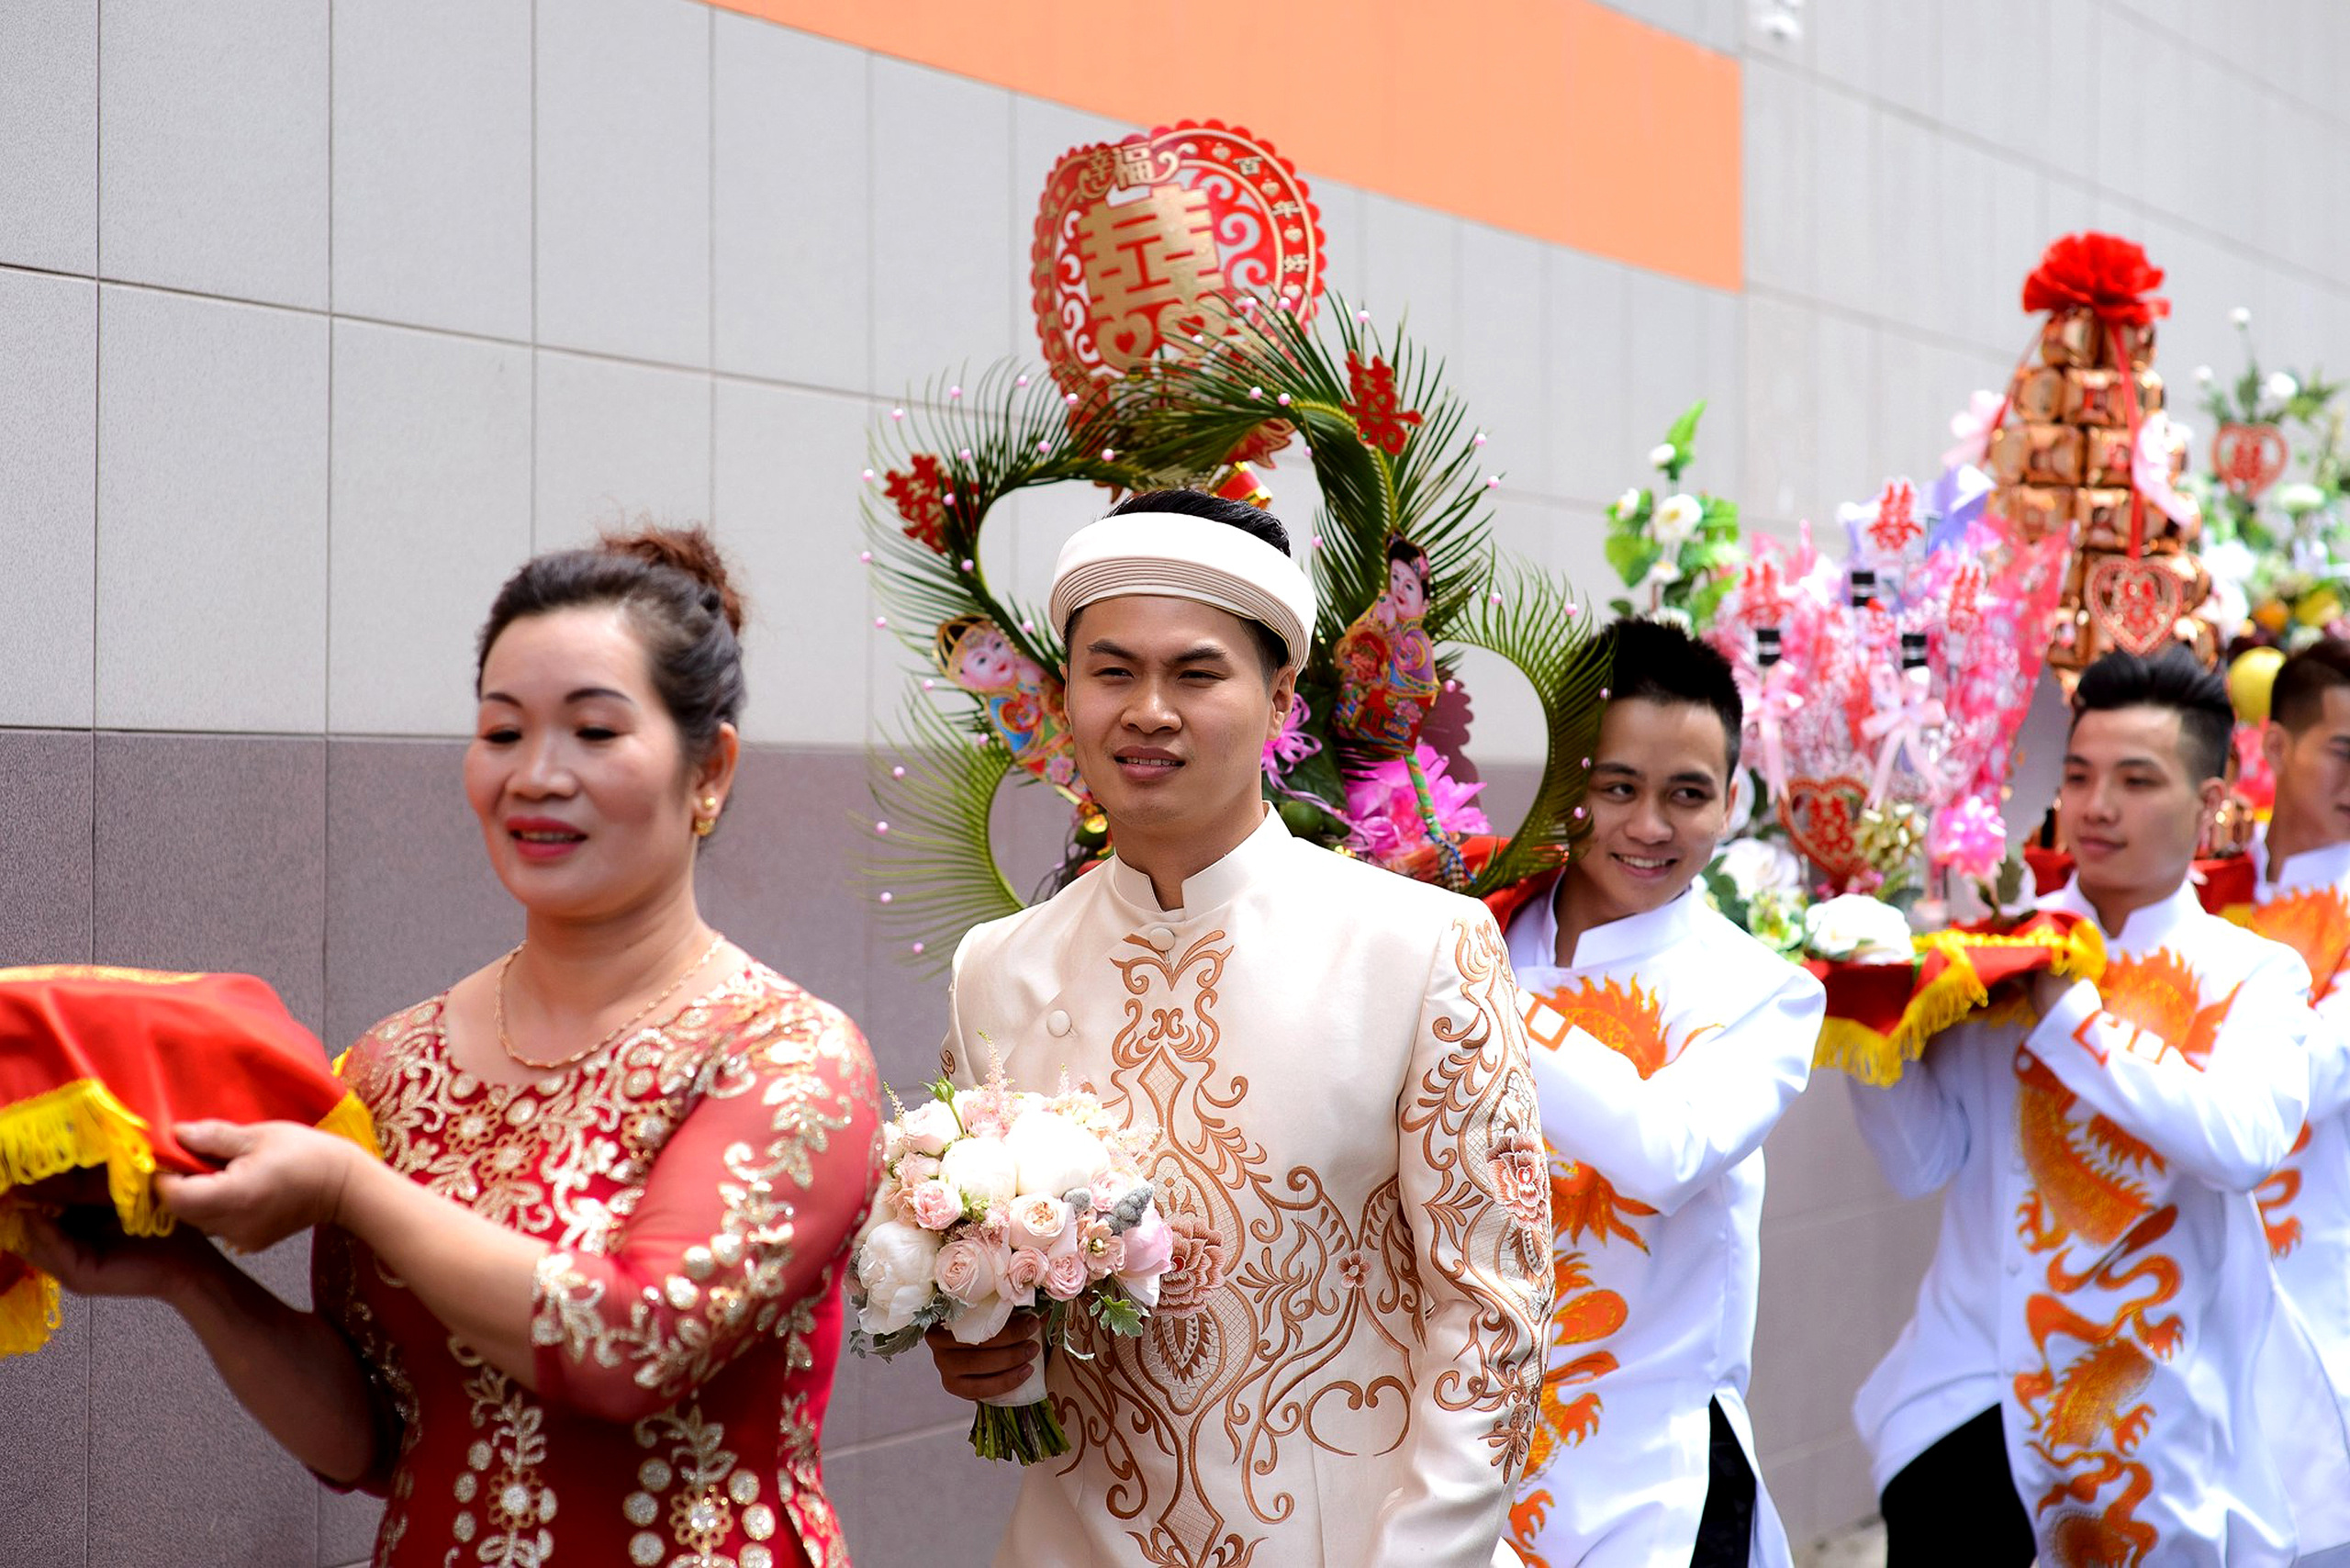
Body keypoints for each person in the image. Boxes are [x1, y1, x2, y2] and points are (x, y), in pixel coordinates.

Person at [15, 528, 882, 1568]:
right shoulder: (392, 1063)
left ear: (712, 770)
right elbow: (372, 1439)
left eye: (594, 731)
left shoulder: (788, 1055)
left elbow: (634, 1344)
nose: (537, 775)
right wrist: (187, 1274)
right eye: (502, 732)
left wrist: (351, 1188)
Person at [924, 488, 1552, 1566]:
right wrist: (977, 1338)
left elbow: (1492, 1317)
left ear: (1279, 699)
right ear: (1065, 698)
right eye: (1111, 672)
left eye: (1196, 673)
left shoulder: (1419, 946)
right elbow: (989, 1292)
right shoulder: (996, 967)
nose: (1148, 710)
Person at [1849, 645, 2341, 1567]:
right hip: (1963, 1408)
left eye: (2135, 780)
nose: (2097, 805)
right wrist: (1869, 1018)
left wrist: (2070, 1017)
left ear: (2209, 803)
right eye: (2078, 776)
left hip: (2149, 1427)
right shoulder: (1993, 951)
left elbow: (2242, 1143)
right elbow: (1920, 1162)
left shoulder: (2253, 973)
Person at [1485, 618, 1821, 1568]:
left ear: (1730, 802)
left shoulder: (1761, 993)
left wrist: (1473, 988)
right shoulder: (1483, 927)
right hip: (1466, 1469)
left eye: (1687, 794)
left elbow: (1664, 1151)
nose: (1649, 827)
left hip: (1656, 1489)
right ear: (1565, 781)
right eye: (1617, 787)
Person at [2247, 642, 2350, 1481]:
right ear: (2275, 746)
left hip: (2326, 1303)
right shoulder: (2200, 885)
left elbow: (2307, 1082)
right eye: (2344, 752)